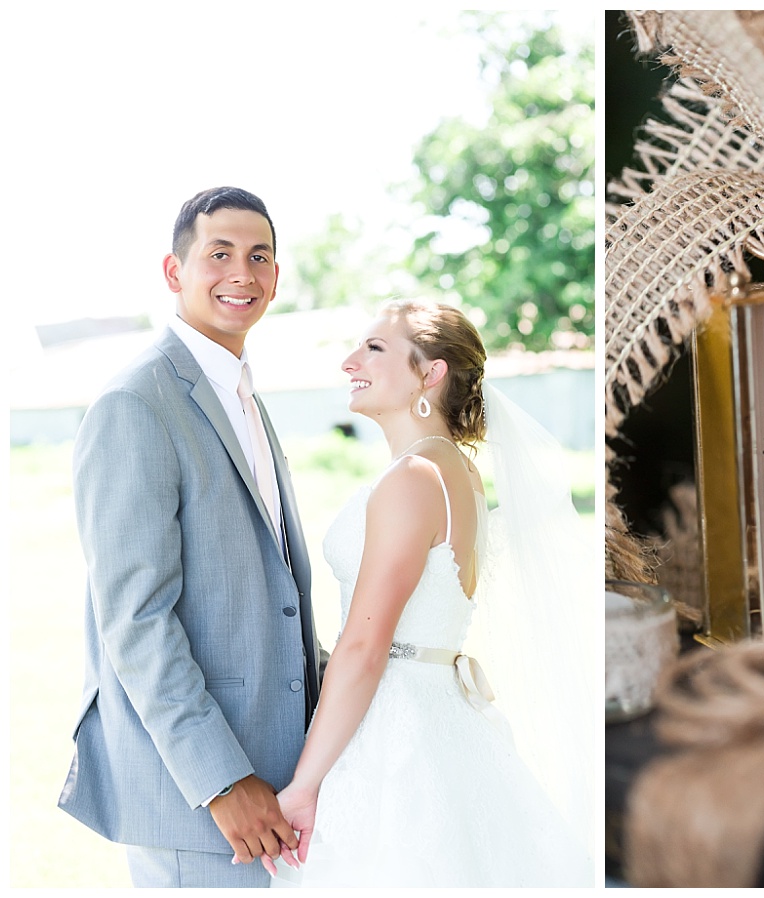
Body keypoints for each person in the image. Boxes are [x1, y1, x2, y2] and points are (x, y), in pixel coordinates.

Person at [267, 300, 594, 888]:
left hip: (395, 730)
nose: (349, 362)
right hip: (438, 711)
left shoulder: (414, 479)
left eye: (374, 348)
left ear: (431, 372)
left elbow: (366, 644)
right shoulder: (456, 471)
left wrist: (305, 785)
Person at [58, 187, 323, 888]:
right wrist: (222, 781)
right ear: (175, 273)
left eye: (260, 256)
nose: (243, 273)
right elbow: (135, 619)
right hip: (202, 805)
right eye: (220, 254)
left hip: (284, 778)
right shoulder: (135, 404)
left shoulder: (246, 399)